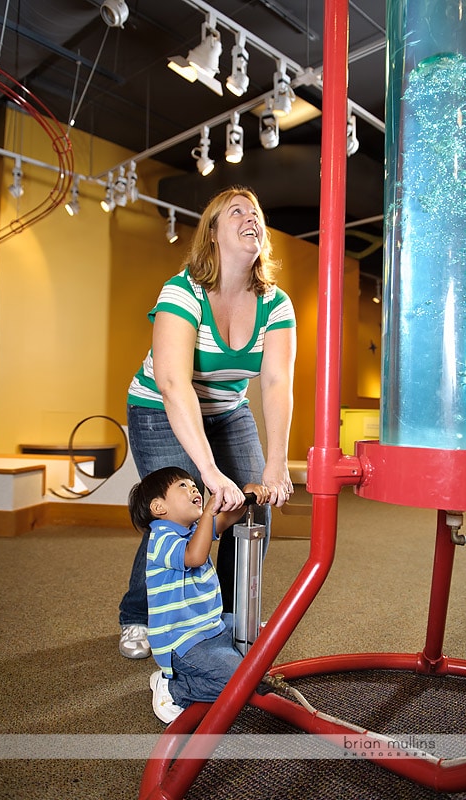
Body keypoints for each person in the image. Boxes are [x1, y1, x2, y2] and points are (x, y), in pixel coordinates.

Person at [119, 185, 297, 659]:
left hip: (227, 409)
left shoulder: (275, 303)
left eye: (255, 211)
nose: (250, 217)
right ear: (213, 233)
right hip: (160, 407)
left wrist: (276, 465)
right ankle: (139, 614)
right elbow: (175, 385)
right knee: (180, 515)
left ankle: (227, 614)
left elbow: (277, 382)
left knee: (253, 507)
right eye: (236, 211)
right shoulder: (183, 290)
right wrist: (210, 473)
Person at [128, 466, 270, 722]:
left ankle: (200, 673)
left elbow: (227, 519)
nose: (193, 488)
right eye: (182, 486)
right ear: (159, 508)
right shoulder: (160, 539)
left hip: (211, 626)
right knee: (241, 681)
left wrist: (244, 493)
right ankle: (175, 689)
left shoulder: (193, 529)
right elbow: (195, 556)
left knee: (265, 637)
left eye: (193, 485)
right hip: (181, 641)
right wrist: (207, 513)